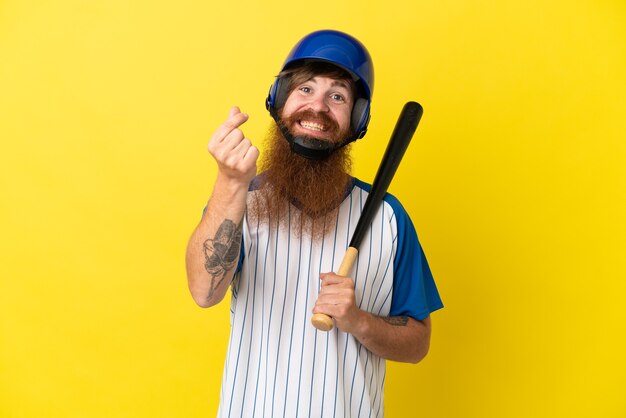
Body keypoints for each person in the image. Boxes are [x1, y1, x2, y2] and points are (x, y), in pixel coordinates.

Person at [185, 29, 443, 418]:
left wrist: (359, 321)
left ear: (357, 119)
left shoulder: (388, 217)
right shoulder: (239, 200)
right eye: (305, 89)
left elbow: (417, 343)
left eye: (337, 96)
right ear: (279, 99)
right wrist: (229, 182)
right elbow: (204, 293)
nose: (318, 107)